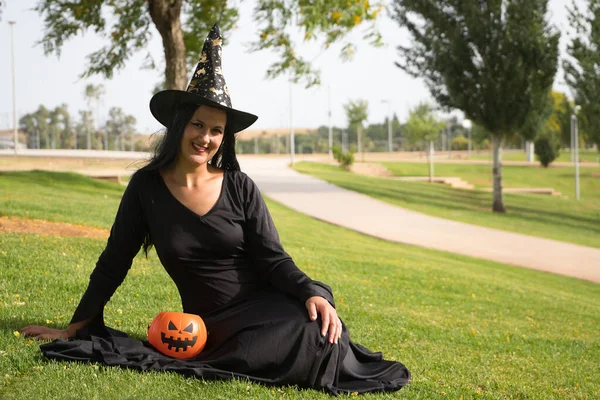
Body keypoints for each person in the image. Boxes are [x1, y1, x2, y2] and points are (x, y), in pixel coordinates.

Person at [20, 24, 410, 395]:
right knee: (299, 343)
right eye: (197, 125)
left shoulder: (240, 186)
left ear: (225, 138)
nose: (205, 137)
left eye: (217, 130)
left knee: (318, 333)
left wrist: (313, 293)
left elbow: (273, 260)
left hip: (267, 309)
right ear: (179, 126)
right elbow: (114, 261)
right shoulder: (146, 188)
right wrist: (76, 327)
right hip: (207, 325)